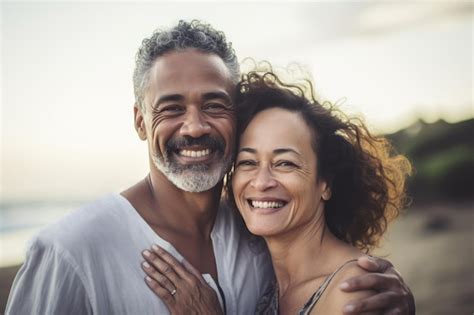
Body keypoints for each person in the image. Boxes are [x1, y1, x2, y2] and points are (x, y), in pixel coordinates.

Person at [6, 20, 414, 314]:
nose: (195, 125)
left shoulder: (255, 237)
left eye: (214, 104)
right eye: (171, 107)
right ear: (140, 122)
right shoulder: (71, 250)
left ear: (234, 117)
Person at [140, 71, 413, 314]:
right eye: (247, 162)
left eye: (285, 163)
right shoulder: (266, 279)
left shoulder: (358, 291)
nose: (261, 182)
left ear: (326, 182)